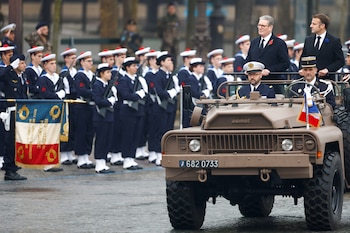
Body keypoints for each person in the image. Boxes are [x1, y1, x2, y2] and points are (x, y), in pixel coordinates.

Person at [37, 53, 67, 172]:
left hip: (57, 109)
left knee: (55, 136)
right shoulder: (43, 79)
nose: (54, 66)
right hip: (47, 110)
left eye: (55, 63)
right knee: (47, 136)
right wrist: (57, 95)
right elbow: (45, 94)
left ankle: (53, 160)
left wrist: (62, 93)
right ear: (45, 65)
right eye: (51, 64)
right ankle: (46, 163)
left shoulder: (57, 77)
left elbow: (64, 90)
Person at [0, 51, 28, 180]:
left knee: (17, 141)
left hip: (20, 112)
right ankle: (9, 170)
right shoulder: (8, 74)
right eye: (21, 63)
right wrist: (10, 67)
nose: (24, 65)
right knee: (10, 141)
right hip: (10, 111)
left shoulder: (21, 77)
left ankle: (13, 166)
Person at [117, 57, 148, 170]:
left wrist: (140, 94)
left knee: (136, 135)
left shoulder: (137, 79)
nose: (135, 68)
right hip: (128, 111)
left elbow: (145, 92)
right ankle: (126, 159)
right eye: (133, 66)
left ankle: (132, 158)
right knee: (127, 135)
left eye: (136, 66)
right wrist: (138, 95)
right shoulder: (123, 80)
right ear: (128, 68)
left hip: (138, 110)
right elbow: (125, 95)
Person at [245, 15, 290, 93]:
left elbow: (285, 63)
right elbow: (249, 59)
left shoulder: (279, 43)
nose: (260, 28)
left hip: (272, 84)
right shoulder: (254, 42)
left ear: (270, 27)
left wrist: (270, 70)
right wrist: (246, 69)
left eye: (263, 26)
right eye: (259, 25)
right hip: (255, 84)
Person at [152, 51, 179, 165]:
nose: (170, 62)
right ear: (162, 62)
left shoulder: (171, 76)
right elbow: (159, 91)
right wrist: (170, 93)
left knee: (169, 130)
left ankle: (166, 153)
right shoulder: (158, 75)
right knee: (161, 131)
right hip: (161, 107)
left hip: (170, 107)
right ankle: (159, 154)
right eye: (168, 60)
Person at [300, 13, 344, 81]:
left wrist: (327, 70)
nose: (311, 26)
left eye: (314, 24)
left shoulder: (334, 41)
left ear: (322, 26)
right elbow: (303, 57)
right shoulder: (308, 40)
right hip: (309, 80)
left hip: (327, 80)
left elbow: (340, 61)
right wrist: (301, 69)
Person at [92, 63, 117, 174]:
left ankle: (103, 162)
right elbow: (97, 100)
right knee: (101, 139)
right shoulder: (97, 85)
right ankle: (99, 163)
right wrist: (108, 101)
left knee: (108, 139)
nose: (110, 74)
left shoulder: (108, 85)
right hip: (100, 117)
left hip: (109, 116)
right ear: (102, 73)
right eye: (107, 72)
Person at [73, 51, 96, 169]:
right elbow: (81, 90)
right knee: (81, 132)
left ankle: (86, 155)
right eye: (88, 61)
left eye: (91, 61)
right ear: (81, 62)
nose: (91, 63)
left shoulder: (92, 75)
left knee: (89, 132)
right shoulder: (79, 75)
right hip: (81, 106)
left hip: (91, 106)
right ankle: (81, 157)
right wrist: (94, 93)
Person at [108, 47, 127, 166]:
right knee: (116, 130)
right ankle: (114, 153)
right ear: (115, 58)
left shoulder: (123, 72)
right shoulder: (114, 72)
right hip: (117, 105)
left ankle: (119, 152)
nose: (123, 59)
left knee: (121, 130)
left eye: (124, 56)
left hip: (123, 106)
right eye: (121, 57)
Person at [59, 48, 78, 165]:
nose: (74, 60)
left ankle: (70, 151)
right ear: (66, 59)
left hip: (75, 102)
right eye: (72, 58)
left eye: (75, 58)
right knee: (66, 127)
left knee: (73, 128)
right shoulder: (64, 73)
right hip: (68, 102)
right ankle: (63, 153)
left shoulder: (75, 72)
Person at [181, 57, 212, 128]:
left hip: (200, 107)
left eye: (203, 66)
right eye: (200, 66)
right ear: (194, 68)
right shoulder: (191, 79)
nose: (203, 68)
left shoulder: (201, 79)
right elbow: (195, 93)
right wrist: (204, 93)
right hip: (194, 108)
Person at [143, 50, 160, 163]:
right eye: (154, 59)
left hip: (159, 105)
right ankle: (152, 151)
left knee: (158, 128)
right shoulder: (149, 74)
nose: (156, 61)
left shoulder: (158, 73)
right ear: (149, 61)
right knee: (153, 128)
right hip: (151, 104)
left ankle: (156, 150)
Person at [157, 2, 180, 67]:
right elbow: (159, 31)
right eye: (170, 8)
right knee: (166, 58)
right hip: (166, 43)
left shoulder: (177, 19)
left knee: (174, 58)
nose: (172, 10)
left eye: (173, 8)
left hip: (175, 42)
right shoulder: (164, 19)